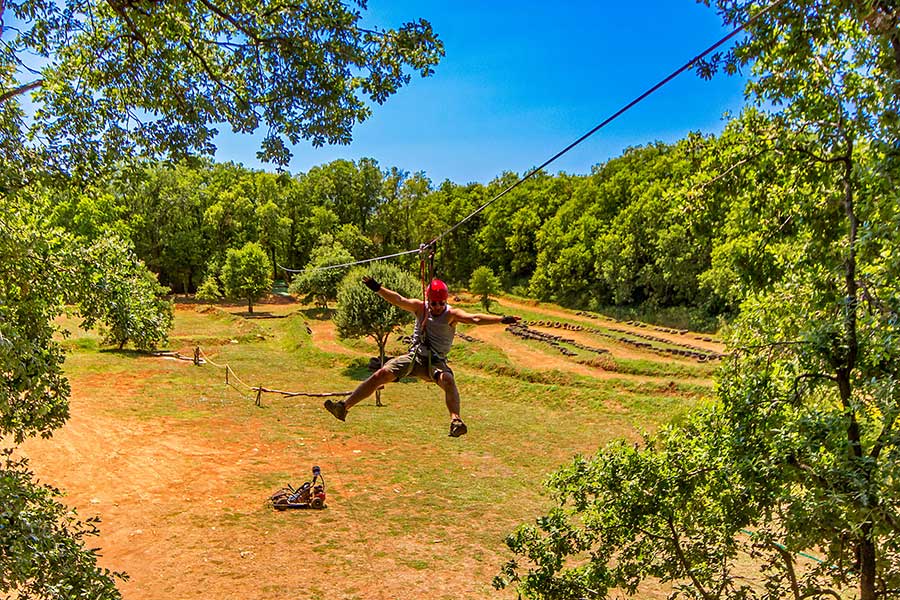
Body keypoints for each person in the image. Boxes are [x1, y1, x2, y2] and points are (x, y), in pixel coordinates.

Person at [324, 275, 520, 437]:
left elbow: (475, 318)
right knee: (380, 375)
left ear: (446, 300)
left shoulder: (451, 314)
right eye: (433, 303)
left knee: (448, 380)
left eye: (441, 303)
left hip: (435, 362)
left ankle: (456, 420)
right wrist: (378, 288)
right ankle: (344, 407)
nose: (436, 307)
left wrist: (501, 319)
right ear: (429, 300)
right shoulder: (420, 308)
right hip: (414, 358)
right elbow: (399, 300)